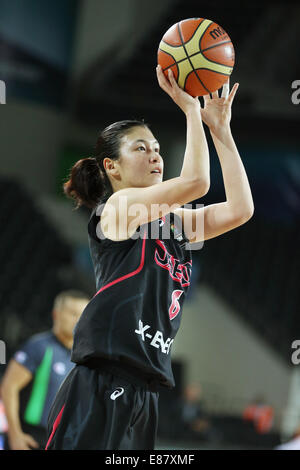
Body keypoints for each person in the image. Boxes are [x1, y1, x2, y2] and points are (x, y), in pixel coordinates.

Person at [45, 65, 254, 450]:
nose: (155, 155)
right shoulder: (118, 208)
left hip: (145, 393)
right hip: (101, 381)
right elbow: (197, 183)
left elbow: (240, 210)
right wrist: (192, 110)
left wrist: (221, 131)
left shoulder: (173, 223)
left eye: (157, 148)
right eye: (140, 148)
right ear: (112, 167)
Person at [1, 290, 89, 450]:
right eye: (72, 313)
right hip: (29, 438)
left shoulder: (84, 358)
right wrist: (15, 435)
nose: (78, 320)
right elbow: (8, 387)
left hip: (59, 441)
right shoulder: (39, 347)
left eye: (83, 314)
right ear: (56, 314)